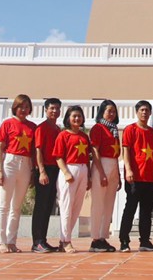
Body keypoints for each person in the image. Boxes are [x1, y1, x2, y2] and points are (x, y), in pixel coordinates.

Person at [0, 94, 36, 253]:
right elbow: (0, 147)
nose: (23, 110)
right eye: (21, 107)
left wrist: (32, 171)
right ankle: (0, 241)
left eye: (26, 107)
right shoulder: (7, 124)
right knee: (4, 205)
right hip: (10, 162)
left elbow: (33, 152)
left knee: (16, 206)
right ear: (15, 108)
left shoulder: (32, 127)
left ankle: (11, 240)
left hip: (25, 164)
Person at [53, 105, 99, 253]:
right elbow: (58, 157)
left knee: (76, 208)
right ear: (68, 118)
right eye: (74, 116)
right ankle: (66, 241)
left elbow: (87, 158)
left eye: (79, 116)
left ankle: (63, 240)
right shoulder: (63, 135)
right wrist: (66, 172)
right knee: (66, 207)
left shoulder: (84, 136)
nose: (77, 118)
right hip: (69, 170)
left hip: (83, 171)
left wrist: (89, 177)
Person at [118, 100, 153, 253]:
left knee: (146, 212)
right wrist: (128, 170)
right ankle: (124, 240)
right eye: (142, 110)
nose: (144, 112)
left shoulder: (151, 132)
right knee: (130, 209)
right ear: (137, 112)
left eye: (147, 110)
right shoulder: (130, 129)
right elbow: (126, 151)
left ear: (150, 113)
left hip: (149, 179)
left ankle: (145, 241)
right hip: (134, 178)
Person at [88, 99, 121, 252]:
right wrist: (101, 172)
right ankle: (95, 239)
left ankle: (103, 237)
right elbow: (95, 151)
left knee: (109, 204)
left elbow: (116, 154)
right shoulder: (98, 128)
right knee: (98, 203)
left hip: (113, 165)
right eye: (109, 111)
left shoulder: (114, 129)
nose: (112, 114)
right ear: (102, 112)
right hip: (101, 165)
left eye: (114, 111)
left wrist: (118, 175)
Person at [31, 97, 62, 253]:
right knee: (41, 206)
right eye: (52, 108)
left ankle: (43, 240)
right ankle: (37, 242)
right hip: (45, 170)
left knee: (48, 206)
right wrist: (41, 171)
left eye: (57, 108)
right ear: (46, 110)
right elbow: (38, 150)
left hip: (55, 169)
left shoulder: (57, 129)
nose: (54, 111)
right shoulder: (41, 128)